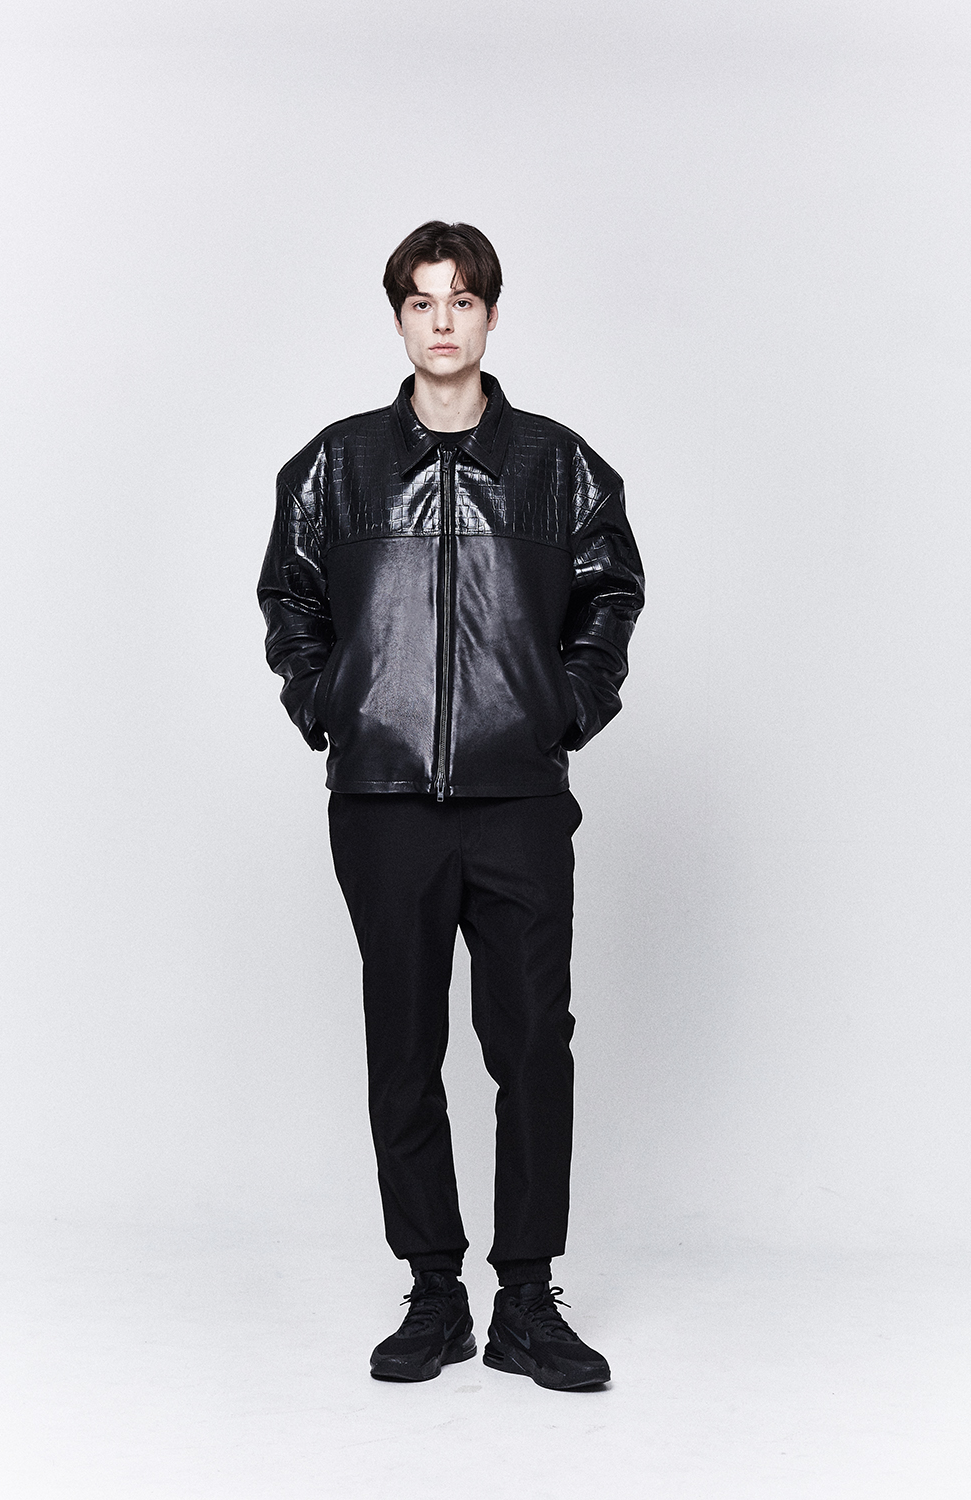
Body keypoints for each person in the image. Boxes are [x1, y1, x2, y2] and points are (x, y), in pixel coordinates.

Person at [258, 221, 644, 1390]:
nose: (441, 320)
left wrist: (563, 707)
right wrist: (328, 701)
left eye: (461, 300)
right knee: (404, 1043)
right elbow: (291, 601)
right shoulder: (332, 468)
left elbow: (610, 595)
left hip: (517, 796)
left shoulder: (559, 468)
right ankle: (434, 1291)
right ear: (398, 319)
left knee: (530, 1044)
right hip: (383, 800)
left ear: (490, 315)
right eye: (421, 301)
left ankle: (525, 1296)